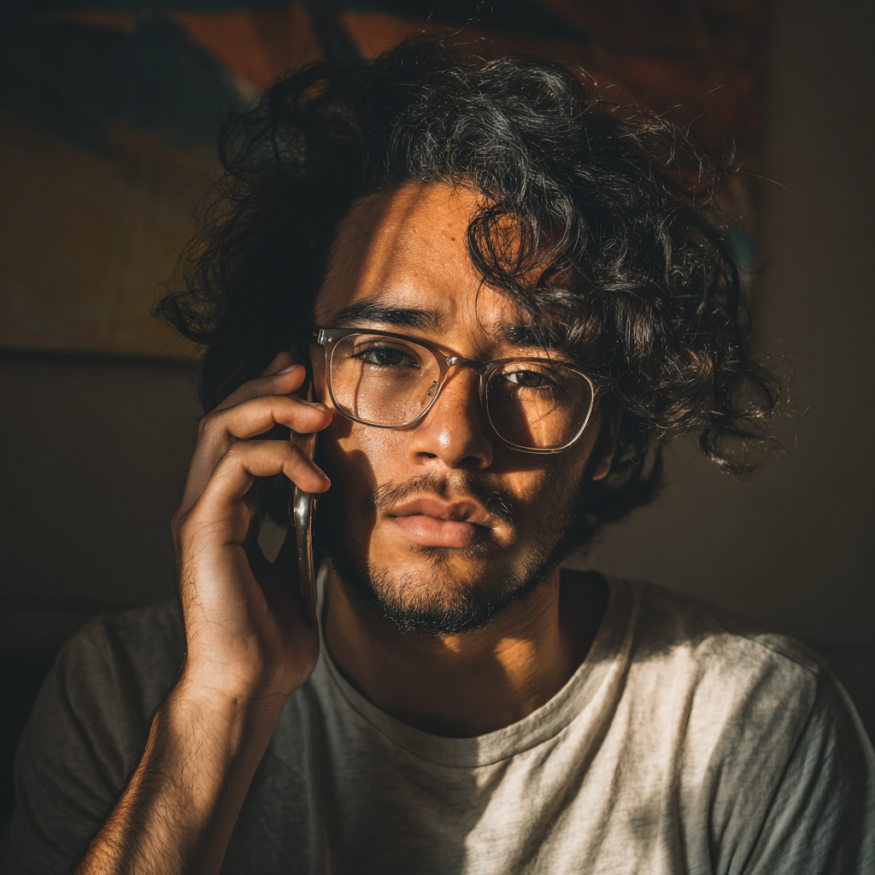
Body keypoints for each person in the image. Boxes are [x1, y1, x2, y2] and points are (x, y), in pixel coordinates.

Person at [2, 38, 873, 875]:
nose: (455, 437)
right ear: (289, 391)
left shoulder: (755, 723)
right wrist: (220, 707)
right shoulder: (123, 690)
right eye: (385, 352)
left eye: (532, 372)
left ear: (610, 431)